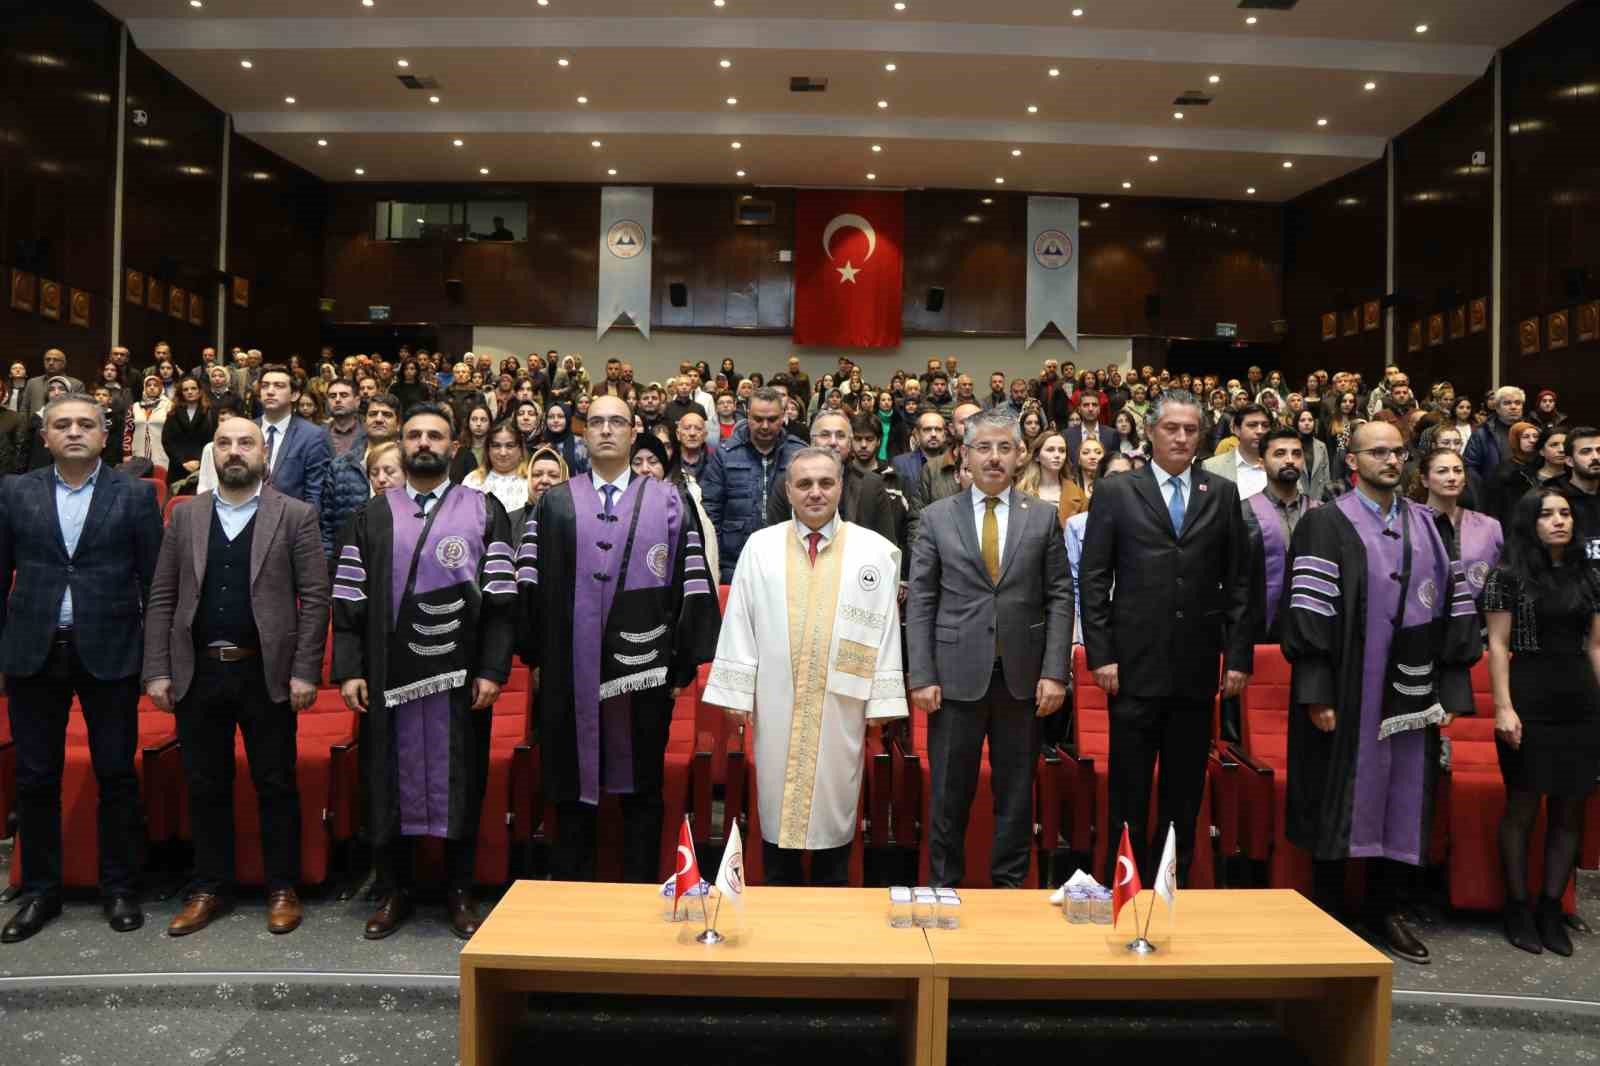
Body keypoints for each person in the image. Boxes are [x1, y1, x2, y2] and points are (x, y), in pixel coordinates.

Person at [1281, 419, 1482, 964]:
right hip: (1347, 689)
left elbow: (1456, 606)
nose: (1392, 461)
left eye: (1398, 452)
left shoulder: (1429, 525)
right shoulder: (1325, 524)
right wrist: (1317, 692)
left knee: (1405, 795)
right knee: (1337, 793)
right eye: (1379, 453)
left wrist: (1451, 690)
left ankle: (1387, 908)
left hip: (1412, 692)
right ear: (1353, 461)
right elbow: (1306, 611)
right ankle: (1327, 909)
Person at [332, 402, 518, 940]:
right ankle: (395, 889)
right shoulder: (370, 516)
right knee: (386, 780)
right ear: (400, 443)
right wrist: (349, 670)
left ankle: (460, 889)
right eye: (413, 435)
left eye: (434, 435)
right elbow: (349, 598)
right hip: (388, 679)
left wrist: (491, 669)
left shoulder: (484, 512)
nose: (423, 444)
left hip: (460, 682)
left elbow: (503, 601)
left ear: (454, 446)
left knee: (463, 779)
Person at [517, 395, 721, 883]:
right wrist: (537, 653)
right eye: (598, 422)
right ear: (585, 436)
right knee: (569, 782)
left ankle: (637, 891)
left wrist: (681, 662)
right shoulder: (555, 501)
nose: (607, 430)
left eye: (618, 422)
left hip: (644, 672)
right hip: (569, 668)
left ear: (634, 433)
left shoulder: (669, 500)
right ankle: (570, 892)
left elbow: (689, 578)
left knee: (643, 783)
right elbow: (530, 581)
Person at [142, 418, 329, 936]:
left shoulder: (296, 515)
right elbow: (161, 596)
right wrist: (157, 667)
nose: (234, 452)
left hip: (265, 672)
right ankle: (209, 888)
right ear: (213, 454)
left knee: (275, 782)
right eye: (224, 443)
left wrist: (305, 671)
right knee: (204, 785)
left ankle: (282, 887)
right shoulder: (186, 516)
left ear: (264, 451)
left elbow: (315, 599)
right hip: (198, 672)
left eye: (245, 442)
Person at [0, 394, 163, 942]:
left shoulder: (136, 495)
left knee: (116, 773)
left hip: (111, 648)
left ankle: (120, 887)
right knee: (36, 776)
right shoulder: (14, 491)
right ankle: (41, 892)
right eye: (62, 425)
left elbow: (155, 583)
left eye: (85, 424)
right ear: (44, 436)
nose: (74, 432)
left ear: (103, 433)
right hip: (33, 649)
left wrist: (156, 657)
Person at [704, 448, 907, 884]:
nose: (815, 493)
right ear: (788, 490)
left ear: (840, 487)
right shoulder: (760, 548)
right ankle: (778, 905)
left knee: (835, 807)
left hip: (842, 706)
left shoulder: (876, 552)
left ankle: (831, 912)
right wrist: (737, 694)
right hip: (777, 700)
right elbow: (739, 619)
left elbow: (888, 628)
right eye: (804, 484)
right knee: (778, 808)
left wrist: (881, 701)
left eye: (825, 483)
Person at [1080, 389, 1253, 886]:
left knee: (1183, 794)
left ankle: (1170, 888)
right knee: (1128, 791)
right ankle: (1123, 888)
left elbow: (1239, 579)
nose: (1181, 437)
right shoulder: (1117, 491)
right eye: (1171, 428)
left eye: (1191, 430)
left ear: (1202, 437)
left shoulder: (1219, 494)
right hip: (1132, 667)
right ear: (1151, 432)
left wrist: (1237, 656)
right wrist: (1102, 654)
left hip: (1197, 669)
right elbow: (1094, 578)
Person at [906, 408, 1073, 887]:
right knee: (947, 797)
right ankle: (943, 890)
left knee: (1017, 796)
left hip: (1023, 680)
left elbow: (1061, 595)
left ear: (1020, 455)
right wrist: (922, 675)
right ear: (965, 454)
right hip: (953, 679)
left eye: (1004, 447)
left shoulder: (1042, 518)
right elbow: (922, 600)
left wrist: (1055, 671)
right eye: (984, 448)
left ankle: (1010, 893)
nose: (994, 458)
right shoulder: (937, 517)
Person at [1484, 489, 1600, 957]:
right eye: (1547, 514)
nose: (1559, 521)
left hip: (1580, 698)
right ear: (1529, 521)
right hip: (1529, 693)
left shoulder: (1589, 575)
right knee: (1523, 807)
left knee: (1571, 808)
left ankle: (1551, 908)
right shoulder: (1506, 575)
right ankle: (1516, 907)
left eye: (1566, 513)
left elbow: (1595, 646)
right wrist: (1502, 707)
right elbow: (1496, 645)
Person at [701, 386, 804, 582]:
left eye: (772, 419)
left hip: (788, 562)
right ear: (747, 416)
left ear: (783, 417)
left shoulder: (798, 454)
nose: (765, 426)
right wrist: (715, 559)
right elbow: (711, 511)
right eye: (758, 419)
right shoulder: (726, 455)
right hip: (735, 564)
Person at [765, 411, 900, 549]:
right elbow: (774, 541)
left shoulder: (871, 485)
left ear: (849, 443)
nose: (833, 442)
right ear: (812, 441)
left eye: (841, 436)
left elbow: (887, 548)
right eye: (825, 435)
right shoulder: (788, 483)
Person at [1243, 428, 1320, 644]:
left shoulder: (1322, 512)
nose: (1289, 460)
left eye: (1296, 454)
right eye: (1279, 454)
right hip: (1258, 630)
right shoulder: (1242, 513)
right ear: (1260, 462)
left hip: (1313, 632)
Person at [1414, 447, 1502, 608]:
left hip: (1477, 620)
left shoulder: (1489, 526)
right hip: (1425, 618)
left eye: (1457, 471)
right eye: (1442, 471)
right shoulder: (1410, 524)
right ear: (1425, 480)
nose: (1452, 477)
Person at [255, 364, 331, 510]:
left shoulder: (312, 435)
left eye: (279, 386)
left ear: (295, 395)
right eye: (265, 386)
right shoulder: (246, 430)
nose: (270, 391)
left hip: (290, 523)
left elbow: (314, 493)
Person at [1202, 402, 1272, 499]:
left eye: (1265, 425)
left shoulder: (1282, 464)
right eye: (1252, 425)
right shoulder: (1212, 467)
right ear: (1236, 429)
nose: (1260, 431)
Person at [1552, 426, 1600, 565]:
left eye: (1599, 450)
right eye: (1586, 452)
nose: (1595, 457)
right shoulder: (1553, 497)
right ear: (1569, 461)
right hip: (1571, 579)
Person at [1015, 431, 1084, 522]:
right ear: (1037, 456)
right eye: (1050, 450)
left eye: (1062, 450)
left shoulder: (1077, 494)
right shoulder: (1020, 491)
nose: (1057, 455)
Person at [463, 423, 529, 515]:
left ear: (520, 450)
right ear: (488, 450)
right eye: (496, 446)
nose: (503, 453)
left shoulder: (531, 481)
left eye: (509, 446)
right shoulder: (472, 480)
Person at [161, 375, 214, 490]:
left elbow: (212, 440)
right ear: (181, 393)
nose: (190, 392)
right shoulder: (173, 413)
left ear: (200, 391)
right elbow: (167, 441)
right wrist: (182, 462)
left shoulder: (211, 412)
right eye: (186, 389)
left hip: (203, 467)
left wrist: (199, 461)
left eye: (193, 388)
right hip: (177, 468)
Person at [1465, 386, 1526, 482]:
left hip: (1525, 492)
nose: (1513, 407)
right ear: (1497, 408)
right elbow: (1470, 468)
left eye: (1518, 403)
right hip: (1492, 492)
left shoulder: (1531, 431)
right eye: (1507, 403)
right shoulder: (1482, 434)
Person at [18, 349, 83, 423]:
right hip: (34, 430)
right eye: (47, 359)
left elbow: (81, 411)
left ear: (64, 363)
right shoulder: (33, 383)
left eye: (56, 360)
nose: (51, 363)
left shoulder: (76, 384)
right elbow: (24, 410)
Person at [449, 402, 493, 484]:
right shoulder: (459, 448)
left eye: (483, 420)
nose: (478, 424)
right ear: (468, 422)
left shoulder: (495, 449)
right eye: (474, 419)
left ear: (490, 423)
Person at [323, 379, 365, 458]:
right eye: (332, 396)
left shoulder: (369, 433)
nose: (337, 400)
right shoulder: (317, 435)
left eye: (344, 395)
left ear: (357, 401)